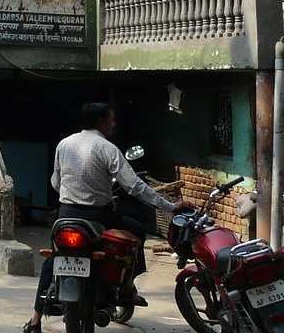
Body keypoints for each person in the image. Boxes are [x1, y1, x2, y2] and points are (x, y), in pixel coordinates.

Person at [22, 102, 194, 333]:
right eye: (111, 120)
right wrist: (170, 206)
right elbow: (134, 186)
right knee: (137, 231)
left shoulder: (64, 144)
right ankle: (126, 287)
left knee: (53, 259)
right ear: (101, 122)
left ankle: (35, 320)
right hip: (99, 218)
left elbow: (56, 181)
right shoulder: (107, 148)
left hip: (66, 216)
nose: (114, 124)